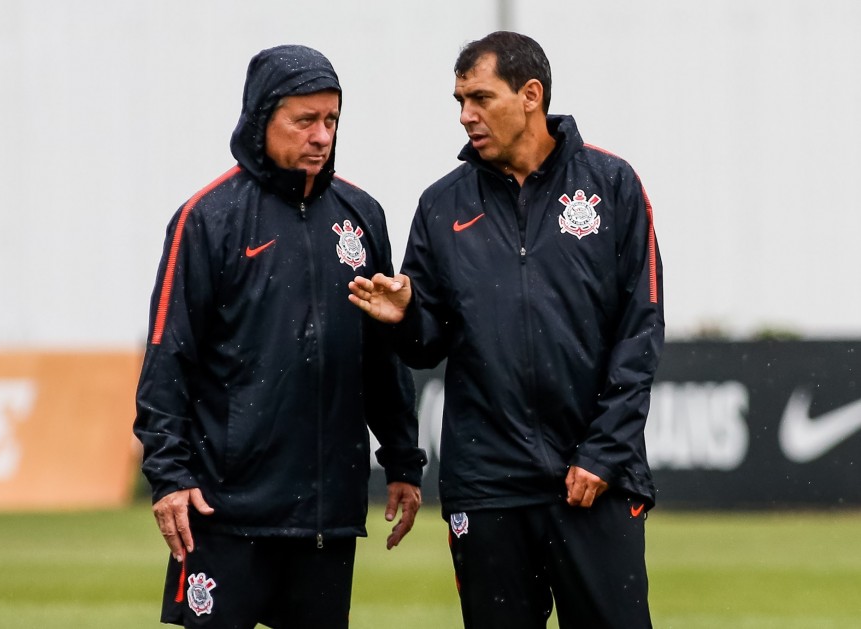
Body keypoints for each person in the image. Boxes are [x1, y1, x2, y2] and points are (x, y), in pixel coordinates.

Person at [348, 31, 664, 629]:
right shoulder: (441, 205)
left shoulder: (612, 185)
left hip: (593, 480)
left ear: (530, 95)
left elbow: (639, 331)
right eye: (459, 100)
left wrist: (603, 452)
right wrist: (403, 320)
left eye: (480, 98)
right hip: (487, 486)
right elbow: (428, 344)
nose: (466, 115)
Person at [133, 44, 426, 629]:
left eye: (332, 120)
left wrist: (402, 459)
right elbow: (169, 356)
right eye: (305, 120)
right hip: (223, 510)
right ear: (261, 118)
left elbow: (379, 354)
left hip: (325, 516)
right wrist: (169, 476)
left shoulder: (360, 214)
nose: (322, 135)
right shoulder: (208, 218)